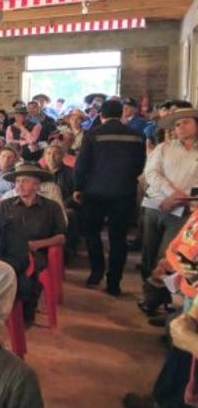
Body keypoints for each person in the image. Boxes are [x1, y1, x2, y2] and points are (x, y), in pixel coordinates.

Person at [73, 98, 146, 296]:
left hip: (95, 192)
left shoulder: (93, 134)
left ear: (101, 115)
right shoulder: (137, 135)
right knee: (118, 237)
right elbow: (140, 165)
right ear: (122, 113)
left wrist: (77, 188)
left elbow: (82, 165)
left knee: (92, 232)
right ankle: (114, 282)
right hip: (124, 192)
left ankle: (96, 272)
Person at [0, 162, 67, 321]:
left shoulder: (51, 207)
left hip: (36, 251)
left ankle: (25, 308)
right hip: (9, 251)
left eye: (25, 181)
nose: (19, 185)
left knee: (26, 268)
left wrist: (37, 245)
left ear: (36, 185)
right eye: (17, 181)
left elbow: (61, 237)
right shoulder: (5, 205)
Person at [140, 107, 198, 294]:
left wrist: (180, 197)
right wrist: (170, 192)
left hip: (184, 210)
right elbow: (152, 173)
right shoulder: (164, 148)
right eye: (177, 124)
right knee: (149, 251)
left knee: (169, 255)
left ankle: (162, 297)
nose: (180, 127)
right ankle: (148, 293)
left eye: (186, 122)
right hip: (156, 205)